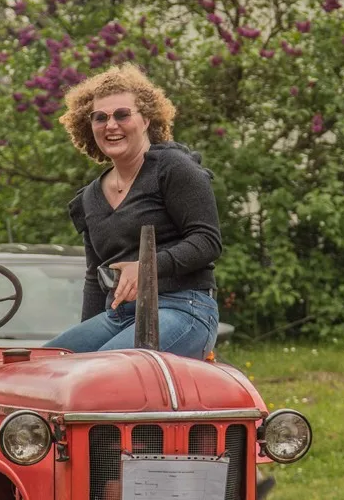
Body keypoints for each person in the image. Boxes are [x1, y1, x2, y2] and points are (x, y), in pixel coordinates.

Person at [44, 64, 221, 358]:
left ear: (146, 119)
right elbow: (94, 278)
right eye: (100, 118)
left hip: (185, 308)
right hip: (119, 316)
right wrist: (87, 339)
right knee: (45, 365)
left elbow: (207, 241)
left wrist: (148, 267)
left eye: (122, 115)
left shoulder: (174, 168)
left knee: (105, 370)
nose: (110, 125)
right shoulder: (89, 198)